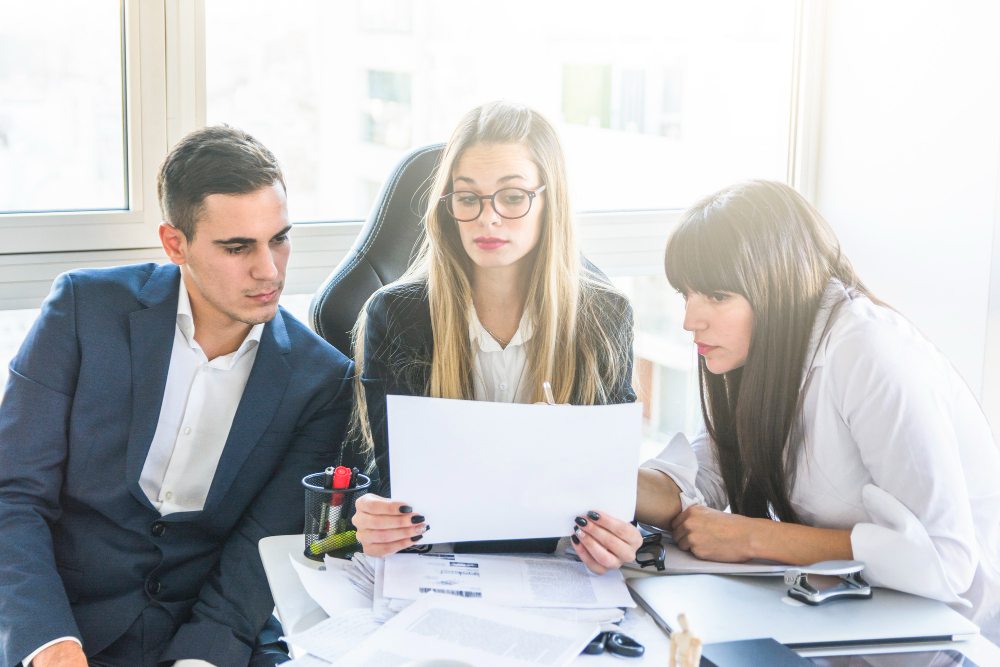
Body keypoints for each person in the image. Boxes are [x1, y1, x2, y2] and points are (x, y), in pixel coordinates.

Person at [0, 126, 357, 667]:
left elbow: (262, 547)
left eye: (279, 238)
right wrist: (48, 643)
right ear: (175, 244)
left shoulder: (321, 379)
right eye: (238, 247)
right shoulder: (82, 310)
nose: (269, 269)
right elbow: (14, 495)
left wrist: (200, 659)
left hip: (215, 627)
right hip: (63, 617)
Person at [636, 179, 1000, 640]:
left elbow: (946, 563)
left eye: (717, 296)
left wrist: (751, 537)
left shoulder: (869, 351)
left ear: (776, 286)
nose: (690, 320)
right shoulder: (765, 353)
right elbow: (705, 475)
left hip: (951, 635)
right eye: (684, 294)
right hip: (859, 618)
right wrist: (594, 478)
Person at [350, 101, 642, 572]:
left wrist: (620, 537)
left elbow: (608, 496)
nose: (488, 219)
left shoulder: (605, 319)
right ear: (449, 209)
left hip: (562, 573)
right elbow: (384, 486)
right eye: (468, 198)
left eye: (512, 196)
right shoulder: (397, 315)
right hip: (435, 570)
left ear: (550, 202)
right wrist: (370, 520)